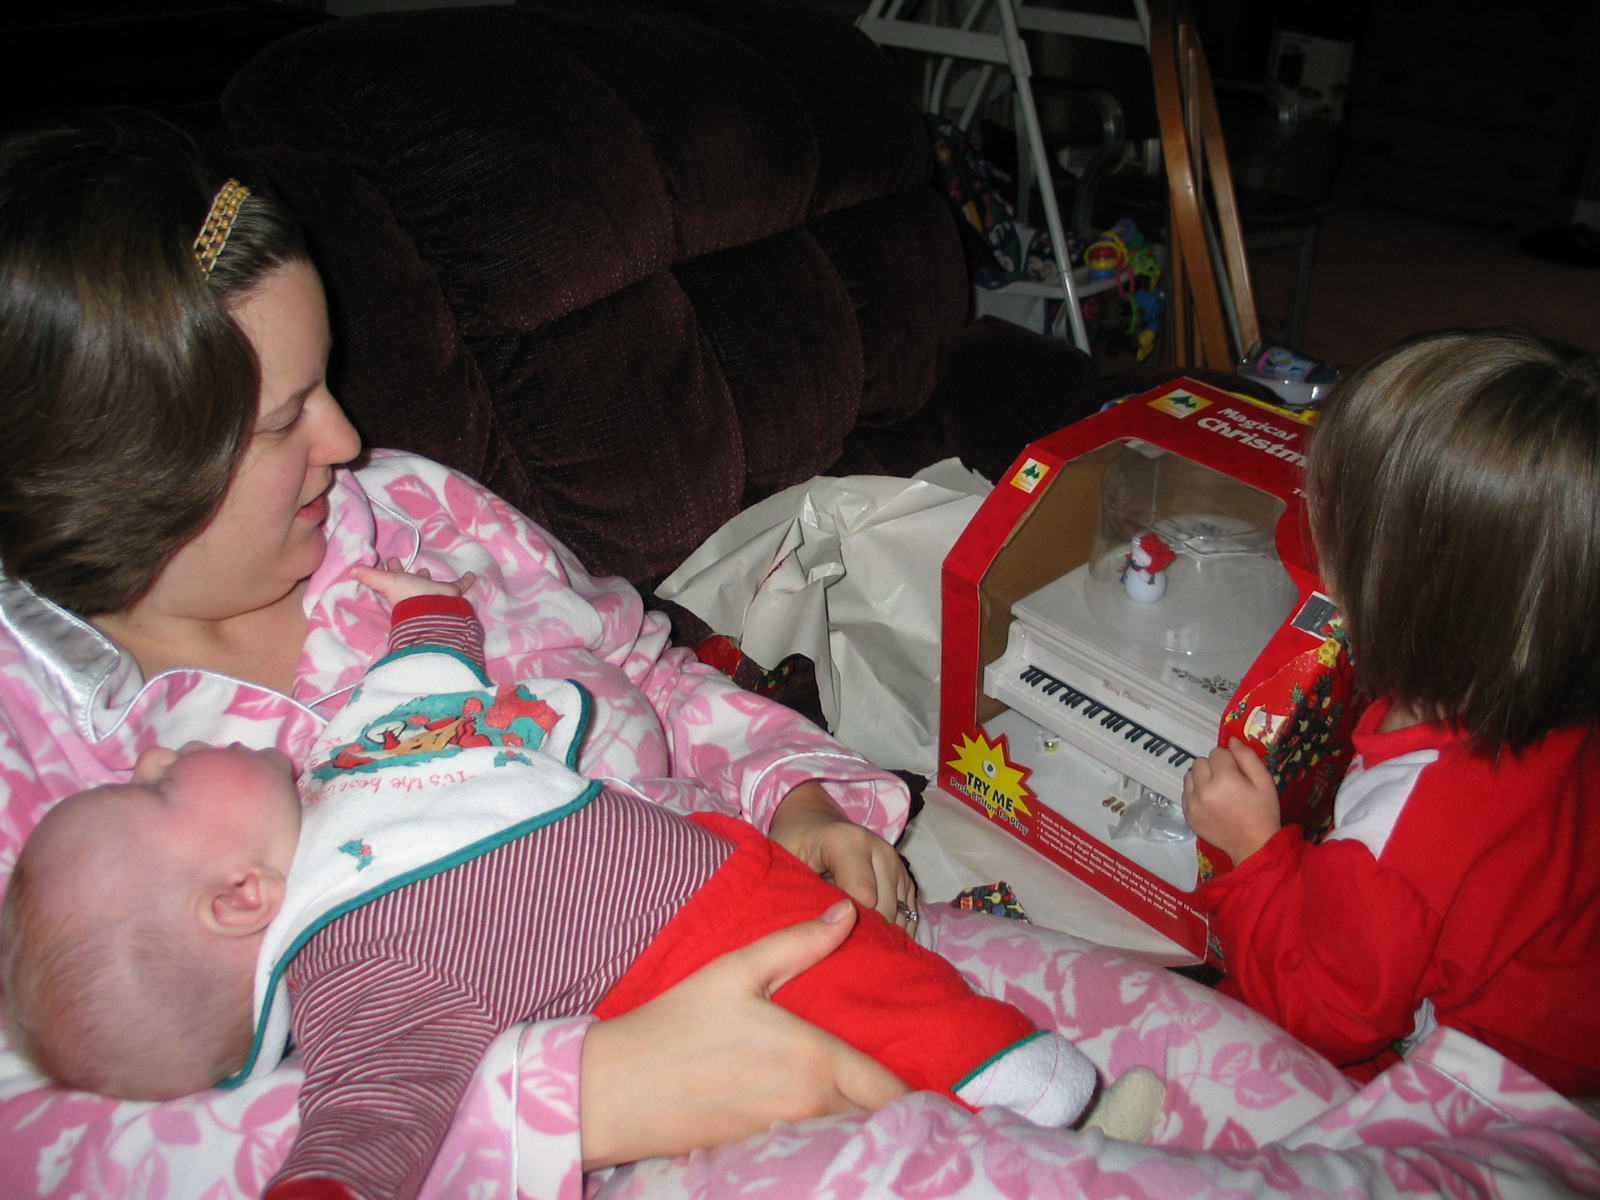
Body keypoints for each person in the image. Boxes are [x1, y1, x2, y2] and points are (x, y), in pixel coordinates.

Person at [0, 116, 1365, 1200]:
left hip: (786, 919)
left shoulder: (406, 514)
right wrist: (580, 1098)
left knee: (1265, 1088)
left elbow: (643, 664)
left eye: (328, 385)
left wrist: (799, 797)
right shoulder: (43, 731)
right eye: (285, 418)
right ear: (124, 470)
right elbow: (43, 1149)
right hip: (624, 1138)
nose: (347, 439)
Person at [0, 560, 1153, 1199]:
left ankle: (1079, 1120)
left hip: (751, 867)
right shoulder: (351, 969)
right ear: (239, 900)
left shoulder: (348, 761)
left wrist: (425, 606)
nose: (150, 761)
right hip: (695, 987)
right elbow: (365, 1125)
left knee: (1008, 1001)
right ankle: (1050, 1127)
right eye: (153, 794)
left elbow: (435, 673)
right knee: (912, 1070)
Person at [1182, 328, 1600, 1097]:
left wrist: (1253, 852)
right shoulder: (1548, 680)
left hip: (1498, 1088)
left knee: (1205, 1034)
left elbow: (1324, 1020)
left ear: (1405, 588)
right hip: (1558, 998)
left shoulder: (1395, 833)